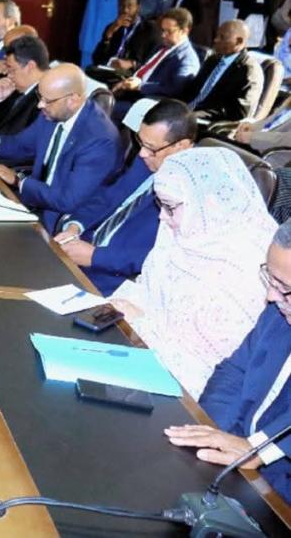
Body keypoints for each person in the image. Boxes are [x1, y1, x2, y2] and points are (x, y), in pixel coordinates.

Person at [109, 147, 275, 397]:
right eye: (160, 204)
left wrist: (141, 323)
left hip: (185, 395)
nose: (162, 217)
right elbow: (148, 286)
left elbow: (217, 373)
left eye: (169, 207)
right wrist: (125, 307)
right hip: (137, 354)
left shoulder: (250, 269)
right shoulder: (185, 232)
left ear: (208, 203)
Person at [165, 220, 291, 503]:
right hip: (237, 473)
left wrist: (255, 449)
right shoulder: (279, 312)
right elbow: (234, 373)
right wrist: (215, 438)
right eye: (271, 279)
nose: (271, 296)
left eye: (285, 287)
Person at [54, 99, 195, 294]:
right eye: (140, 142)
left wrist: (96, 256)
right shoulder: (148, 160)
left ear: (182, 146)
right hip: (81, 253)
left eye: (151, 147)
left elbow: (168, 259)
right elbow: (108, 199)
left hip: (115, 280)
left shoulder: (194, 192)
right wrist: (75, 226)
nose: (142, 153)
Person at [0, 63, 122, 231]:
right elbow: (22, 145)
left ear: (73, 100)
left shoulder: (100, 140)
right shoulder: (53, 112)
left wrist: (19, 181)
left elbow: (68, 200)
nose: (40, 105)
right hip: (31, 200)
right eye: (39, 97)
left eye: (47, 100)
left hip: (55, 220)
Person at [110, 7, 200, 117]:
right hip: (131, 91)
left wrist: (140, 86)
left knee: (104, 107)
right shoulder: (162, 47)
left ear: (185, 31)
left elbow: (174, 90)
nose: (163, 35)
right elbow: (147, 70)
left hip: (148, 102)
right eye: (162, 30)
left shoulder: (187, 59)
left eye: (169, 31)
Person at [182, 19, 263, 125]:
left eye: (222, 37)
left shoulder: (249, 71)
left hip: (208, 122)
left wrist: (197, 115)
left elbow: (240, 112)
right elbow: (194, 90)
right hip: (187, 111)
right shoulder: (213, 60)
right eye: (217, 35)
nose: (216, 40)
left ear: (239, 41)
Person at [0, 35, 50, 141]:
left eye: (12, 69)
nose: (9, 75)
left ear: (30, 66)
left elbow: (19, 142)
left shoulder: (47, 99)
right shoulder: (18, 86)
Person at [87, 0, 161, 82]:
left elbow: (155, 61)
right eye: (121, 6)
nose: (125, 10)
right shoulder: (113, 27)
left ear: (138, 7)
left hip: (131, 76)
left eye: (130, 6)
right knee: (89, 70)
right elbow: (97, 59)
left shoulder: (150, 29)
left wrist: (132, 63)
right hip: (109, 71)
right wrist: (108, 35)